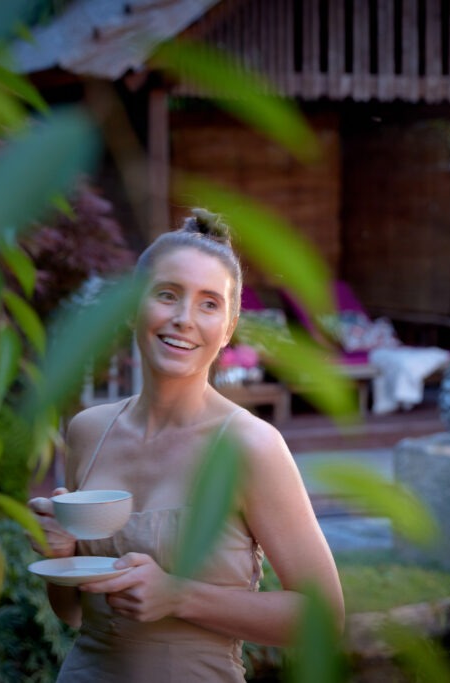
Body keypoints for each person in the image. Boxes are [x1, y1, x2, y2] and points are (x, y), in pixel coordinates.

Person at [29, 208, 344, 681]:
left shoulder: (250, 447)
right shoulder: (88, 431)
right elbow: (72, 613)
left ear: (230, 326)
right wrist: (58, 551)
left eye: (209, 303)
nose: (183, 319)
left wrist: (178, 594)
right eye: (167, 295)